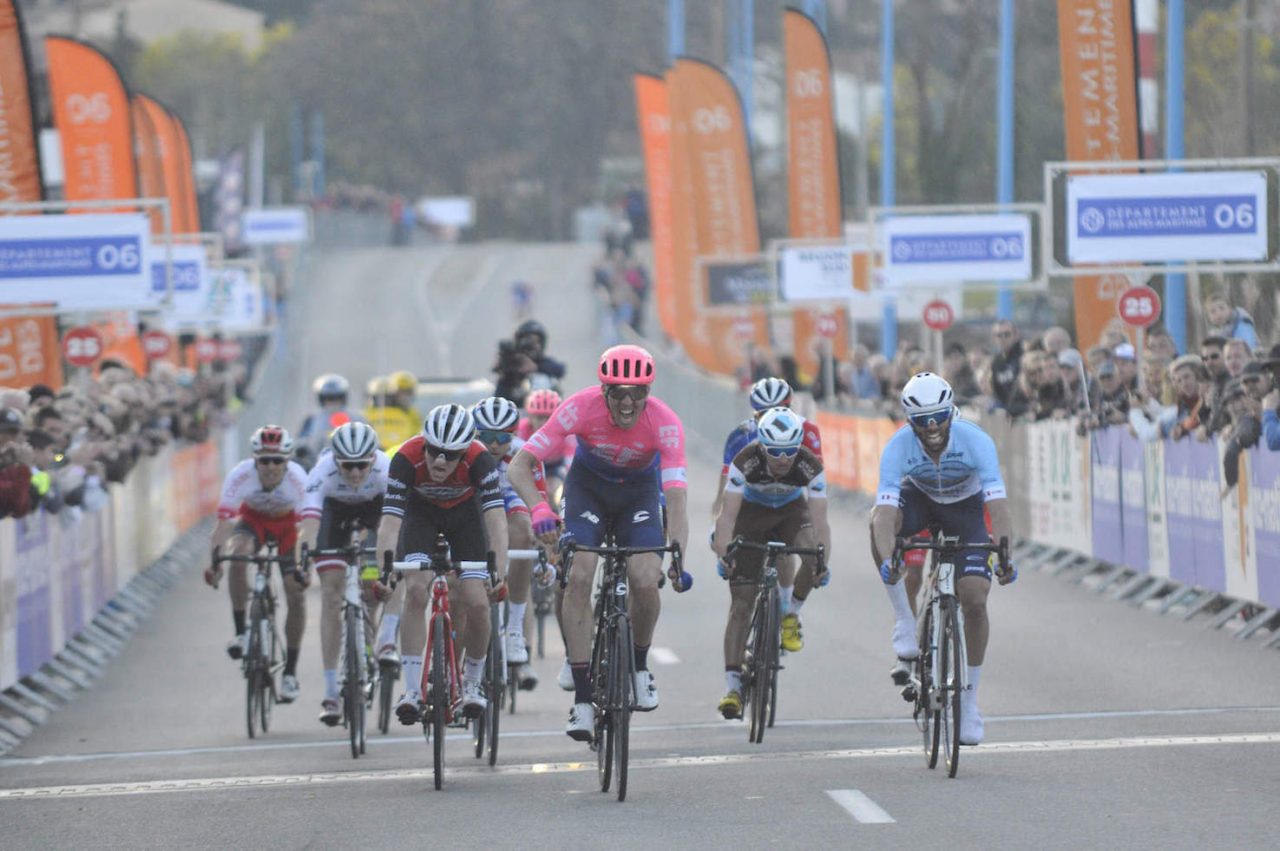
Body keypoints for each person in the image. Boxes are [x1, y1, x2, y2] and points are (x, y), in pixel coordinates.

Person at [506, 344, 690, 742]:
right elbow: (519, 465)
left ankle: (639, 668)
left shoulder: (665, 423)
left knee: (645, 579)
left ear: (649, 393)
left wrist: (677, 552)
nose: (627, 403)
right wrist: (538, 509)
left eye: (637, 393)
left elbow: (676, 497)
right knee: (580, 574)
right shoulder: (579, 407)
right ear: (603, 391)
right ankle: (584, 701)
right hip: (587, 489)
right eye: (618, 393)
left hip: (638, 494)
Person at [869, 373, 1015, 746]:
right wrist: (890, 559)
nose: (932, 427)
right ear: (909, 421)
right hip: (919, 501)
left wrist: (1004, 554)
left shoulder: (976, 441)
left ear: (952, 412)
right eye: (922, 421)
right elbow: (886, 516)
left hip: (965, 509)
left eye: (939, 417)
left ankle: (968, 703)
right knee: (877, 523)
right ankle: (904, 619)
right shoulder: (898, 447)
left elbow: (998, 507)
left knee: (975, 600)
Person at [377, 404, 509, 724]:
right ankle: (411, 690)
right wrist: (386, 570)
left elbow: (496, 522)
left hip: (465, 518)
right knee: (417, 590)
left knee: (477, 602)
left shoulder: (480, 460)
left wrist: (499, 573)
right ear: (424, 444)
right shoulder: (406, 458)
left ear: (464, 453)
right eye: (434, 451)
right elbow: (390, 524)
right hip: (420, 515)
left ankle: (473, 683)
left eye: (450, 455)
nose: (439, 460)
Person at [712, 407, 830, 719]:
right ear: (762, 446)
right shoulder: (745, 460)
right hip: (751, 514)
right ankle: (733, 687)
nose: (783, 459)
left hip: (792, 512)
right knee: (741, 605)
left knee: (810, 552)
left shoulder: (809, 465)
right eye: (775, 452)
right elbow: (727, 517)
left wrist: (822, 561)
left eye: (790, 452)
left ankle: (791, 613)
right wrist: (724, 554)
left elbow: (820, 522)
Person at [711, 377, 823, 653]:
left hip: (790, 500)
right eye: (763, 413)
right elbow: (727, 481)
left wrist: (812, 527)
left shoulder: (807, 431)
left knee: (791, 549)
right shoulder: (742, 435)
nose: (772, 416)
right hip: (751, 503)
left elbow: (814, 479)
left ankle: (788, 611)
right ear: (755, 414)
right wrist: (720, 527)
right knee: (741, 568)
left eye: (780, 408)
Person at [204, 425, 311, 703]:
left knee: (295, 593)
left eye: (277, 461)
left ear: (287, 461)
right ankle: (241, 634)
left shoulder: (299, 480)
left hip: (290, 528)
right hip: (253, 521)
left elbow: (306, 531)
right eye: (264, 460)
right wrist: (215, 563)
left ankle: (289, 673)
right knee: (237, 554)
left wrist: (302, 568)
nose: (271, 467)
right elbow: (223, 526)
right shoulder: (240, 475)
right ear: (255, 460)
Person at [298, 422, 391, 726]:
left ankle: (370, 640)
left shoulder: (385, 470)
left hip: (376, 512)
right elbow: (310, 521)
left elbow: (394, 523)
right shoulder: (322, 470)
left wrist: (390, 559)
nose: (354, 473)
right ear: (336, 461)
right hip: (334, 515)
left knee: (375, 583)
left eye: (361, 465)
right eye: (347, 466)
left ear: (373, 460)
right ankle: (330, 693)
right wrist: (307, 554)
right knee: (330, 594)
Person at [472, 395, 550, 691]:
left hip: (511, 498)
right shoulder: (466, 453)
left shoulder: (525, 454)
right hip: (478, 503)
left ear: (514, 435)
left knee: (524, 528)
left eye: (501, 438)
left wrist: (544, 543)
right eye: (486, 437)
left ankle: (515, 629)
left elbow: (539, 503)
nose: (493, 445)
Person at [517, 389, 574, 508]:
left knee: (553, 492)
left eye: (548, 417)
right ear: (530, 416)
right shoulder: (521, 429)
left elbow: (571, 460)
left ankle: (556, 520)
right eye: (539, 417)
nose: (543, 423)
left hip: (554, 466)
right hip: (529, 465)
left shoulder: (566, 432)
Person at [296, 374, 366, 468]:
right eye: (329, 399)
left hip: (351, 467)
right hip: (316, 465)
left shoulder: (357, 418)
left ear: (343, 398)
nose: (333, 403)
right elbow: (301, 442)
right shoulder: (312, 419)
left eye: (337, 398)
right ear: (321, 399)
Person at [364, 372, 421, 451]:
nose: (406, 397)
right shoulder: (368, 413)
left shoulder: (411, 413)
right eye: (402, 392)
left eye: (409, 392)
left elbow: (417, 434)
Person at [989, 321, 1024, 412]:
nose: (1003, 338)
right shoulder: (996, 362)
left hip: (1022, 409)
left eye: (1007, 334)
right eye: (999, 335)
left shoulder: (1023, 358)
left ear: (1016, 336)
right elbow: (996, 388)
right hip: (1005, 410)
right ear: (994, 339)